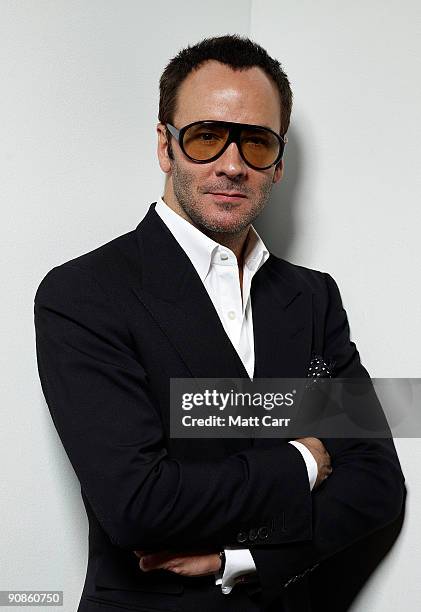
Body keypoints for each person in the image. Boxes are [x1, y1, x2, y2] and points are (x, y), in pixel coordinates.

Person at [34, 35, 405, 612]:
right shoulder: (84, 294)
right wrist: (305, 459)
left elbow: (378, 484)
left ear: (278, 163)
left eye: (256, 143)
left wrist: (247, 560)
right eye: (207, 137)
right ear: (166, 145)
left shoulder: (311, 298)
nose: (231, 165)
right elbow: (139, 504)